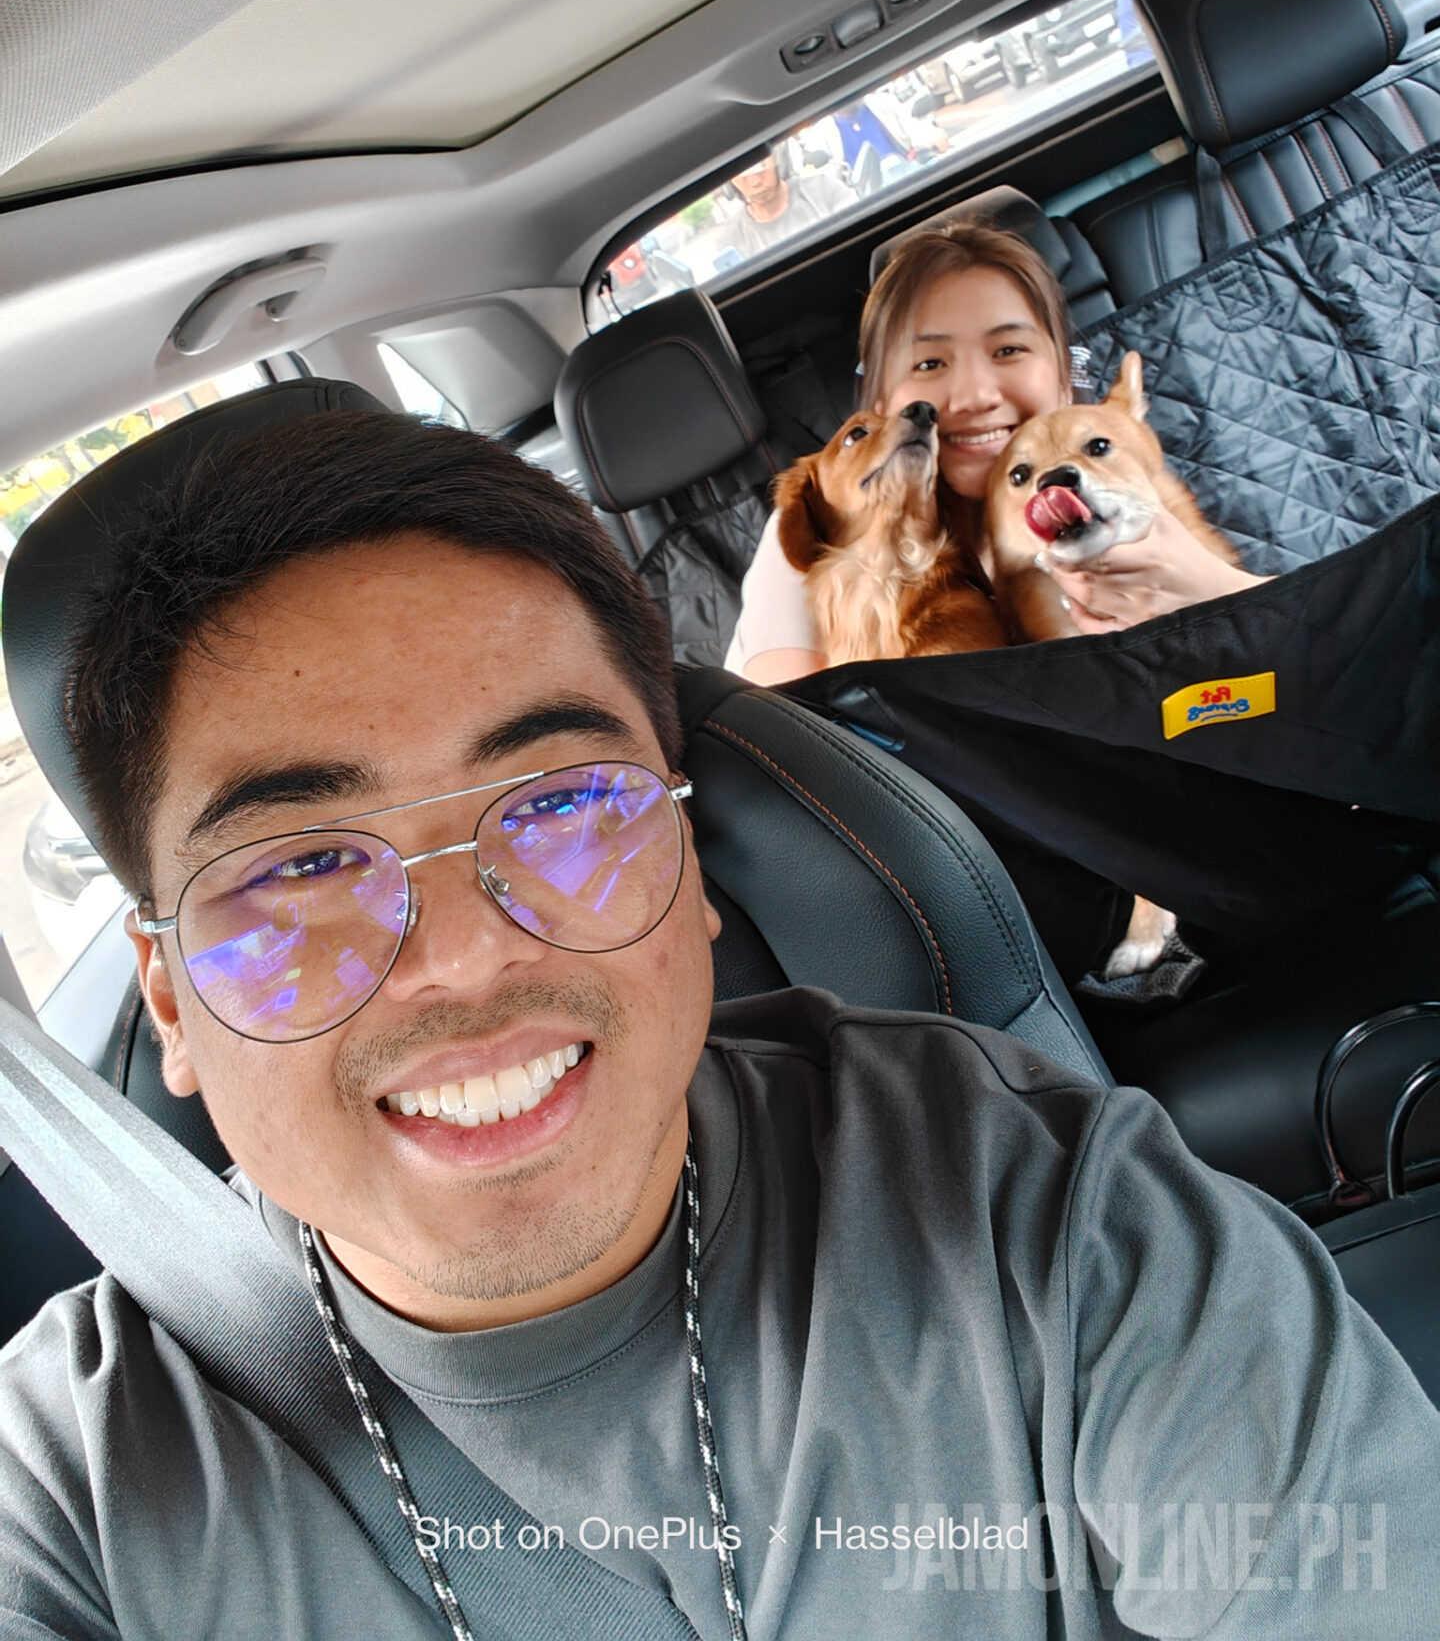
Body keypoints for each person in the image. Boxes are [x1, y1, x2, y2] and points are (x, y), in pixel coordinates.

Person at [1, 410, 1436, 1641]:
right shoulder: (73, 1486)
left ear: (690, 870)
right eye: (305, 864)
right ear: (170, 997)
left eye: (562, 805)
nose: (466, 956)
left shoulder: (1032, 1211)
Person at [726, 223, 1266, 684]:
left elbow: (1276, 643)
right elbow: (796, 739)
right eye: (930, 364)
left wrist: (1215, 589)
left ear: (1064, 378)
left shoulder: (1117, 486)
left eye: (1008, 350)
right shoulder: (828, 526)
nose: (976, 396)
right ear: (885, 406)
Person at [728, 149, 856, 261]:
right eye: (742, 176)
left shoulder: (826, 191)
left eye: (761, 169)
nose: (755, 182)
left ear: (777, 159)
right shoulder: (732, 240)